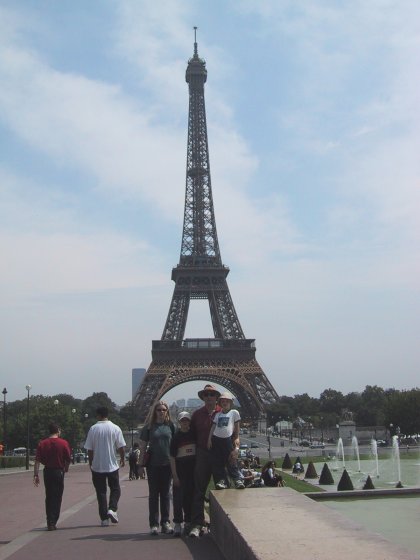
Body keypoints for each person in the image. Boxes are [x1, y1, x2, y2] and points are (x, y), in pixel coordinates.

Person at [189, 383, 231, 538]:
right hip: (202, 454)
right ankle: (197, 523)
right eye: (206, 395)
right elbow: (191, 437)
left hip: (220, 455)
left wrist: (235, 448)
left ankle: (224, 524)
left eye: (212, 394)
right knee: (199, 489)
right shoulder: (197, 415)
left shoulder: (225, 413)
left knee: (224, 488)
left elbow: (232, 433)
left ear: (217, 398)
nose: (209, 397)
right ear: (203, 397)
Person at [84, 406, 126, 527]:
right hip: (112, 465)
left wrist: (91, 462)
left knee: (101, 492)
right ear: (108, 415)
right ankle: (112, 509)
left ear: (98, 415)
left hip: (97, 466)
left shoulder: (93, 429)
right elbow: (121, 447)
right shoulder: (115, 428)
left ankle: (104, 519)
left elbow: (90, 449)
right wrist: (122, 459)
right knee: (115, 489)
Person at [138, 400, 175, 536]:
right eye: (158, 410)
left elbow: (176, 446)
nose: (161, 412)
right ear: (155, 412)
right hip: (153, 465)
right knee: (153, 495)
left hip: (167, 465)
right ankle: (153, 524)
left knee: (165, 495)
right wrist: (140, 465)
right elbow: (142, 447)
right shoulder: (149, 427)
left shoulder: (171, 426)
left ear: (167, 412)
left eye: (163, 410)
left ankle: (165, 522)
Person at [33, 423, 71, 530]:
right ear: (58, 431)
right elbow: (68, 458)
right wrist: (66, 468)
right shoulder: (63, 443)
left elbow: (37, 461)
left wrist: (36, 474)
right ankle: (53, 520)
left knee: (49, 495)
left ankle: (49, 519)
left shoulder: (42, 443)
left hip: (48, 471)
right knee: (57, 496)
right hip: (59, 471)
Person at [207, 392, 244, 491]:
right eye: (222, 401)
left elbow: (236, 430)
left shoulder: (234, 413)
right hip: (216, 440)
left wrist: (237, 442)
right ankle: (221, 480)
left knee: (231, 460)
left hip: (228, 440)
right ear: (219, 403)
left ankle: (237, 479)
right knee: (218, 462)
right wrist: (209, 439)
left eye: (226, 401)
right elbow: (213, 428)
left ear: (230, 403)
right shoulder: (217, 414)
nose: (224, 402)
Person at [170, 411, 196, 537]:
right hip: (180, 473)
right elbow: (172, 457)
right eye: (182, 421)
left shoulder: (194, 435)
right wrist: (174, 475)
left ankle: (188, 522)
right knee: (178, 499)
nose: (185, 423)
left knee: (189, 498)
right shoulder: (176, 437)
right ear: (179, 422)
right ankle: (178, 523)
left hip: (191, 473)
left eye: (187, 420)